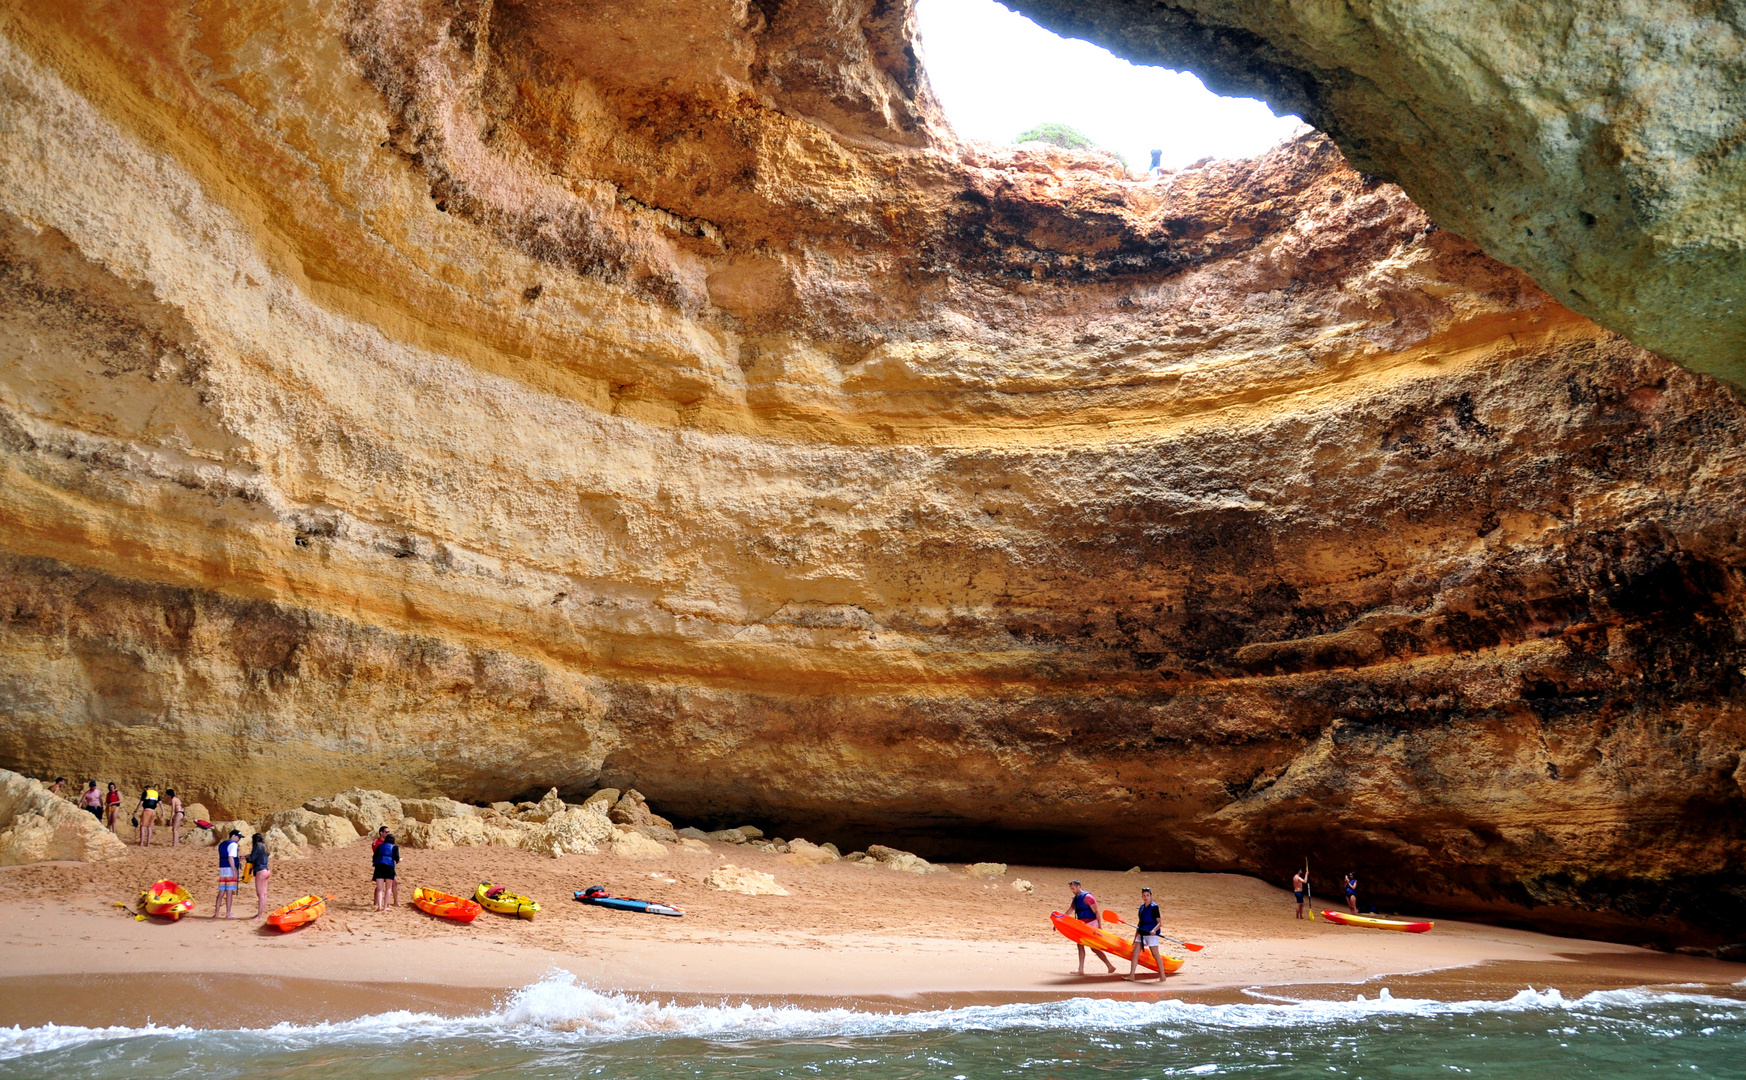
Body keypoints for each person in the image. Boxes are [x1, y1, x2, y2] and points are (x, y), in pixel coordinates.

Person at [1065, 880, 1116, 975]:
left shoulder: (1088, 897)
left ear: (1079, 886)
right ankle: (1081, 969)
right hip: (1082, 925)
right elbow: (1070, 910)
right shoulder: (1075, 899)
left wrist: (1100, 927)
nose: (1072, 891)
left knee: (1094, 947)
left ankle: (1110, 966)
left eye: (1073, 888)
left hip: (1091, 924)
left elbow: (1096, 912)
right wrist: (1060, 920)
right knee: (1080, 944)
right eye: (1071, 889)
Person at [1126, 887, 1165, 981]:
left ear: (1151, 896)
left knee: (1155, 955)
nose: (1146, 897)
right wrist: (1135, 937)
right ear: (1142, 897)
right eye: (1144, 895)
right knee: (1135, 953)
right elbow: (1140, 923)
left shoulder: (1154, 907)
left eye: (1147, 895)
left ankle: (1163, 976)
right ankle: (1132, 975)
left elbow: (1160, 923)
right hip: (1142, 933)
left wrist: (1154, 930)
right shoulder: (1142, 907)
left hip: (1151, 934)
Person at [214, 829, 242, 918]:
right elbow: (230, 858)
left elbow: (225, 856)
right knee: (229, 892)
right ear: (233, 836)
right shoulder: (233, 844)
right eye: (238, 837)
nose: (239, 839)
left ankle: (216, 913)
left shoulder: (222, 844)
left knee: (221, 891)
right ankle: (228, 913)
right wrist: (234, 870)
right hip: (230, 869)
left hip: (222, 868)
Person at [373, 831, 399, 911]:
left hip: (379, 866)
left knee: (380, 888)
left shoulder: (380, 846)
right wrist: (399, 860)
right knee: (388, 888)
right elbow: (396, 858)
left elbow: (374, 857)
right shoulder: (395, 847)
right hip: (389, 867)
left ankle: (379, 906)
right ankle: (385, 907)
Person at [247, 833, 271, 918]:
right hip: (266, 870)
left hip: (260, 871)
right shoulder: (265, 846)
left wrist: (246, 857)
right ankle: (260, 914)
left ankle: (259, 916)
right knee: (264, 894)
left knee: (260, 894)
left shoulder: (257, 845)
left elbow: (252, 857)